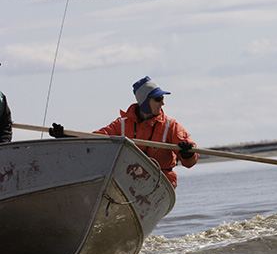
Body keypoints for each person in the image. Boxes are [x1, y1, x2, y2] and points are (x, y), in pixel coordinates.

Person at [50, 76, 199, 189]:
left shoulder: (171, 126)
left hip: (161, 183)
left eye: (162, 99)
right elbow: (93, 139)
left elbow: (190, 162)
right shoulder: (120, 125)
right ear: (145, 102)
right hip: (128, 182)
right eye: (158, 99)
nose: (163, 103)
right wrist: (66, 136)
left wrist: (188, 154)